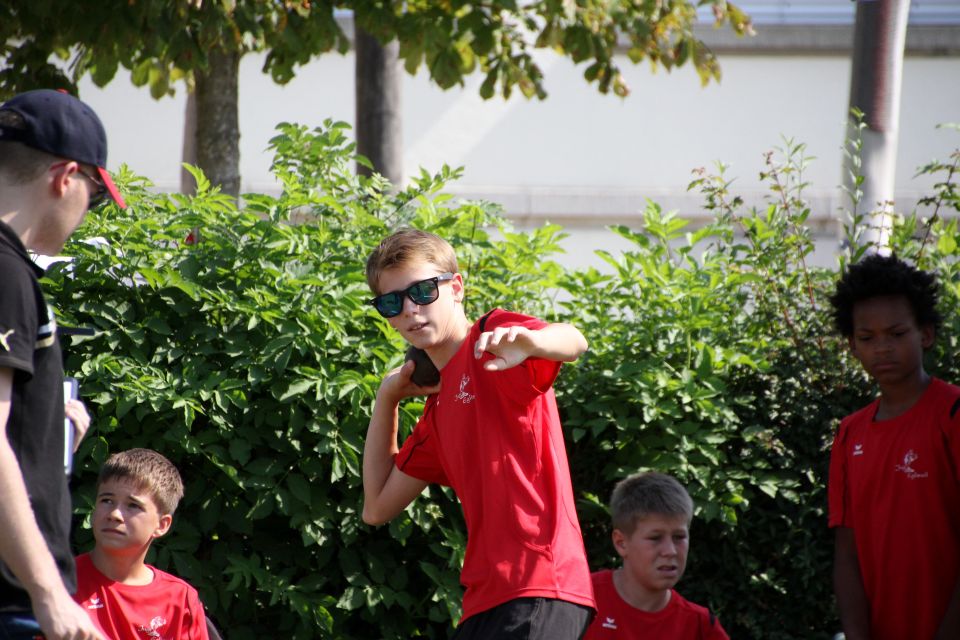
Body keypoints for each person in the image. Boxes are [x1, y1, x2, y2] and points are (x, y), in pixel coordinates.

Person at [362, 229, 596, 639]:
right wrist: (387, 398)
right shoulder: (437, 414)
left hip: (539, 585)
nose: (410, 310)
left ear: (456, 288)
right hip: (484, 601)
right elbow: (376, 507)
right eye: (391, 302)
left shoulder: (493, 340)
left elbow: (575, 340)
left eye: (422, 291)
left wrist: (534, 342)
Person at [0, 88, 125, 640]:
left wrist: (46, 437)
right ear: (66, 176)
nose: (86, 212)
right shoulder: (7, 273)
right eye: (94, 196)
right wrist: (48, 592)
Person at [828, 254, 960, 640]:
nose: (882, 348)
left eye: (897, 334)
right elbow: (847, 554)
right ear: (852, 346)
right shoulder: (849, 434)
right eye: (867, 338)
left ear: (926, 334)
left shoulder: (952, 415)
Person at [73, 448, 210, 640]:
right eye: (107, 500)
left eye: (133, 505)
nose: (114, 514)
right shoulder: (57, 581)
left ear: (162, 525)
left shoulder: (180, 599)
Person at [583, 472, 729, 640]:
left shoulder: (700, 626)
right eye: (655, 538)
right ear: (621, 543)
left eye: (679, 537)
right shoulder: (580, 602)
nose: (670, 551)